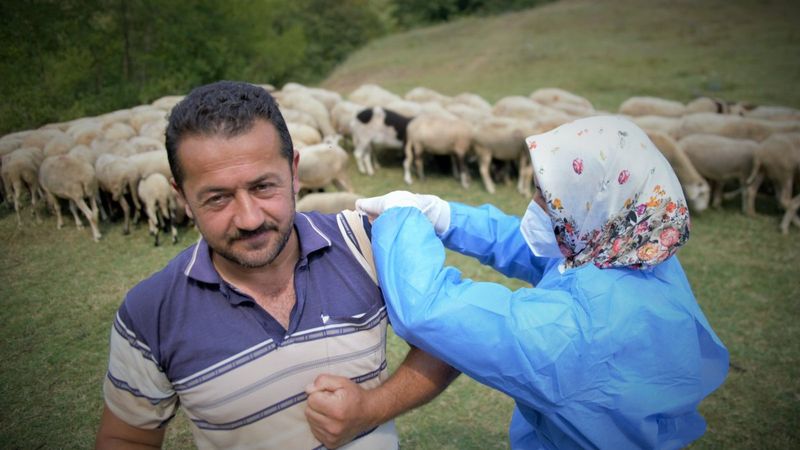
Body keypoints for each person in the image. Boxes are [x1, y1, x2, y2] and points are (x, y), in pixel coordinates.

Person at [95, 81, 457, 450]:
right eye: (218, 198)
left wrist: (374, 407)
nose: (250, 219)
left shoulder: (366, 244)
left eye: (264, 187)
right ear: (183, 198)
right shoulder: (151, 313)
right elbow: (125, 438)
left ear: (295, 172)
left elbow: (453, 334)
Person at [356, 115, 729, 449]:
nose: (533, 201)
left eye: (548, 196)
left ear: (593, 203)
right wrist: (445, 216)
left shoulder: (573, 331)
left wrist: (401, 218)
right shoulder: (634, 249)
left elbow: (428, 312)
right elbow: (539, 250)